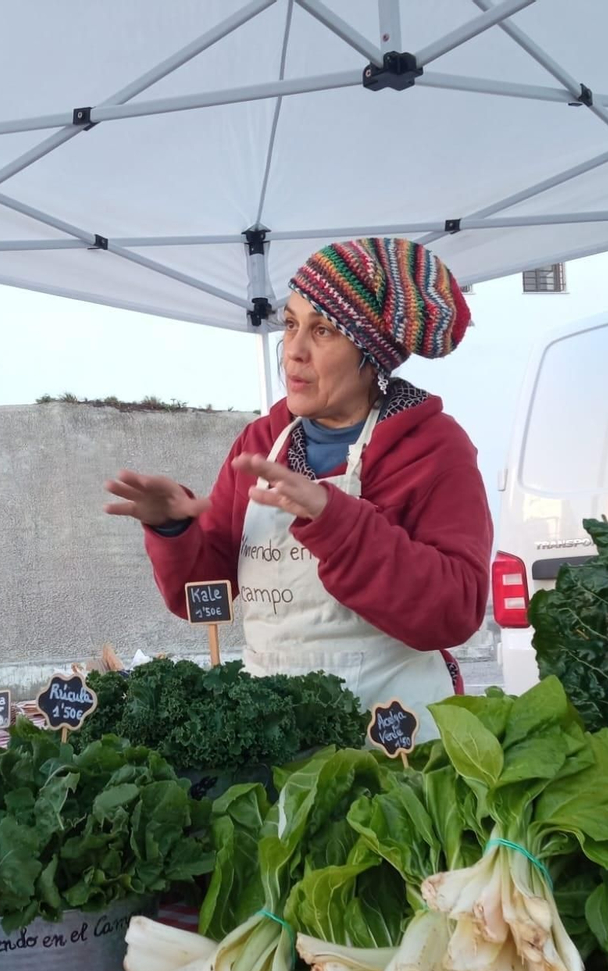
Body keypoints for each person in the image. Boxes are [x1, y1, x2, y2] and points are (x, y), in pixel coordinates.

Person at [105, 238, 493, 737]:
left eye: (323, 331)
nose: (293, 351)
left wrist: (338, 525)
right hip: (277, 733)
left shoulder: (432, 448)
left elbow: (455, 612)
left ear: (370, 354)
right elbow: (205, 592)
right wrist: (175, 529)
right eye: (289, 324)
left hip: (395, 737)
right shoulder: (261, 441)